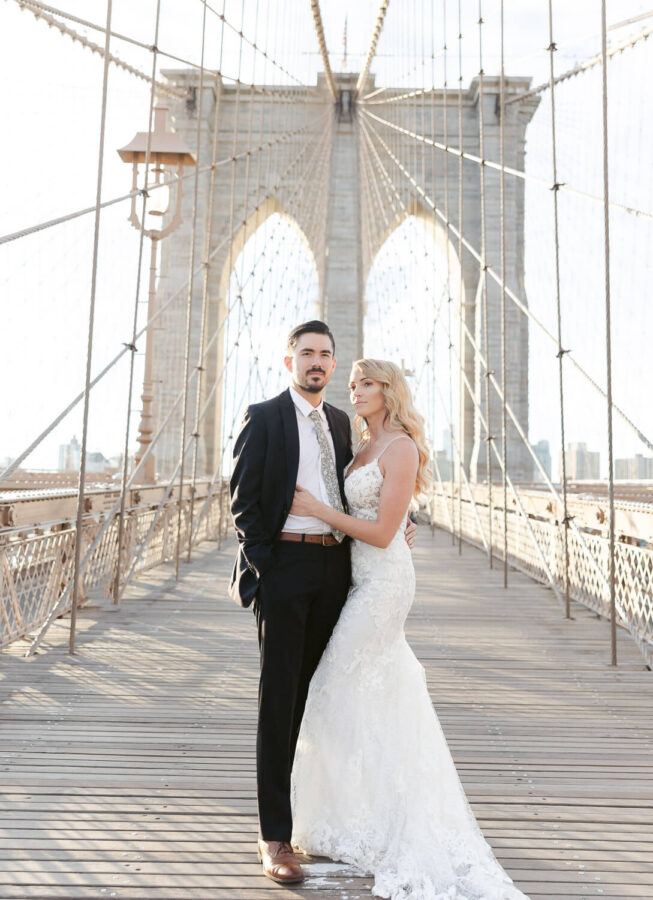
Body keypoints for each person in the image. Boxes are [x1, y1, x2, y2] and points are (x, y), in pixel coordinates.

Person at [289, 358, 530, 900]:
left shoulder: (400, 447)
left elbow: (378, 534)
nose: (355, 391)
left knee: (331, 685)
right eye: (352, 384)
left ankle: (371, 821)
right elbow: (385, 514)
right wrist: (390, 520)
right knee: (368, 693)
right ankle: (360, 814)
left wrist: (318, 511)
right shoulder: (361, 443)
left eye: (366, 383)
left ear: (389, 389)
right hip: (360, 581)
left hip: (385, 584)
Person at [228, 322, 416, 885]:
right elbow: (242, 504)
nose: (317, 362)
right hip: (284, 569)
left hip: (338, 572)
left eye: (325, 355)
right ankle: (274, 838)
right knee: (279, 703)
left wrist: (405, 519)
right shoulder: (263, 418)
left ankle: (329, 816)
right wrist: (265, 572)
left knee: (328, 696)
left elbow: (375, 485)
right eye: (306, 353)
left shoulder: (341, 423)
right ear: (289, 361)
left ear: (333, 366)